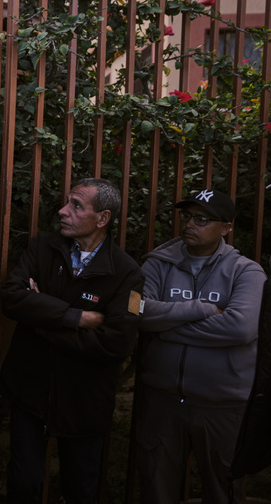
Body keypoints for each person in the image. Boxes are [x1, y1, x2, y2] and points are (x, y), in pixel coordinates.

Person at [0, 178, 142, 504]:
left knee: (80, 489)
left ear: (102, 218)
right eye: (67, 202)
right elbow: (11, 298)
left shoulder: (127, 274)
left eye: (76, 205)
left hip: (84, 402)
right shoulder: (43, 247)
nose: (63, 211)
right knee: (24, 482)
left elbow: (116, 343)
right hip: (29, 392)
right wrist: (75, 317)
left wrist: (42, 322)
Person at [135, 189, 266, 503]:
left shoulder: (246, 272)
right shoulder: (156, 264)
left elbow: (239, 328)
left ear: (225, 228)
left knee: (222, 490)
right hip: (163, 401)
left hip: (221, 406)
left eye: (202, 219)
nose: (190, 224)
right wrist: (201, 309)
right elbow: (136, 312)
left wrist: (165, 327)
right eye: (187, 217)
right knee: (157, 489)